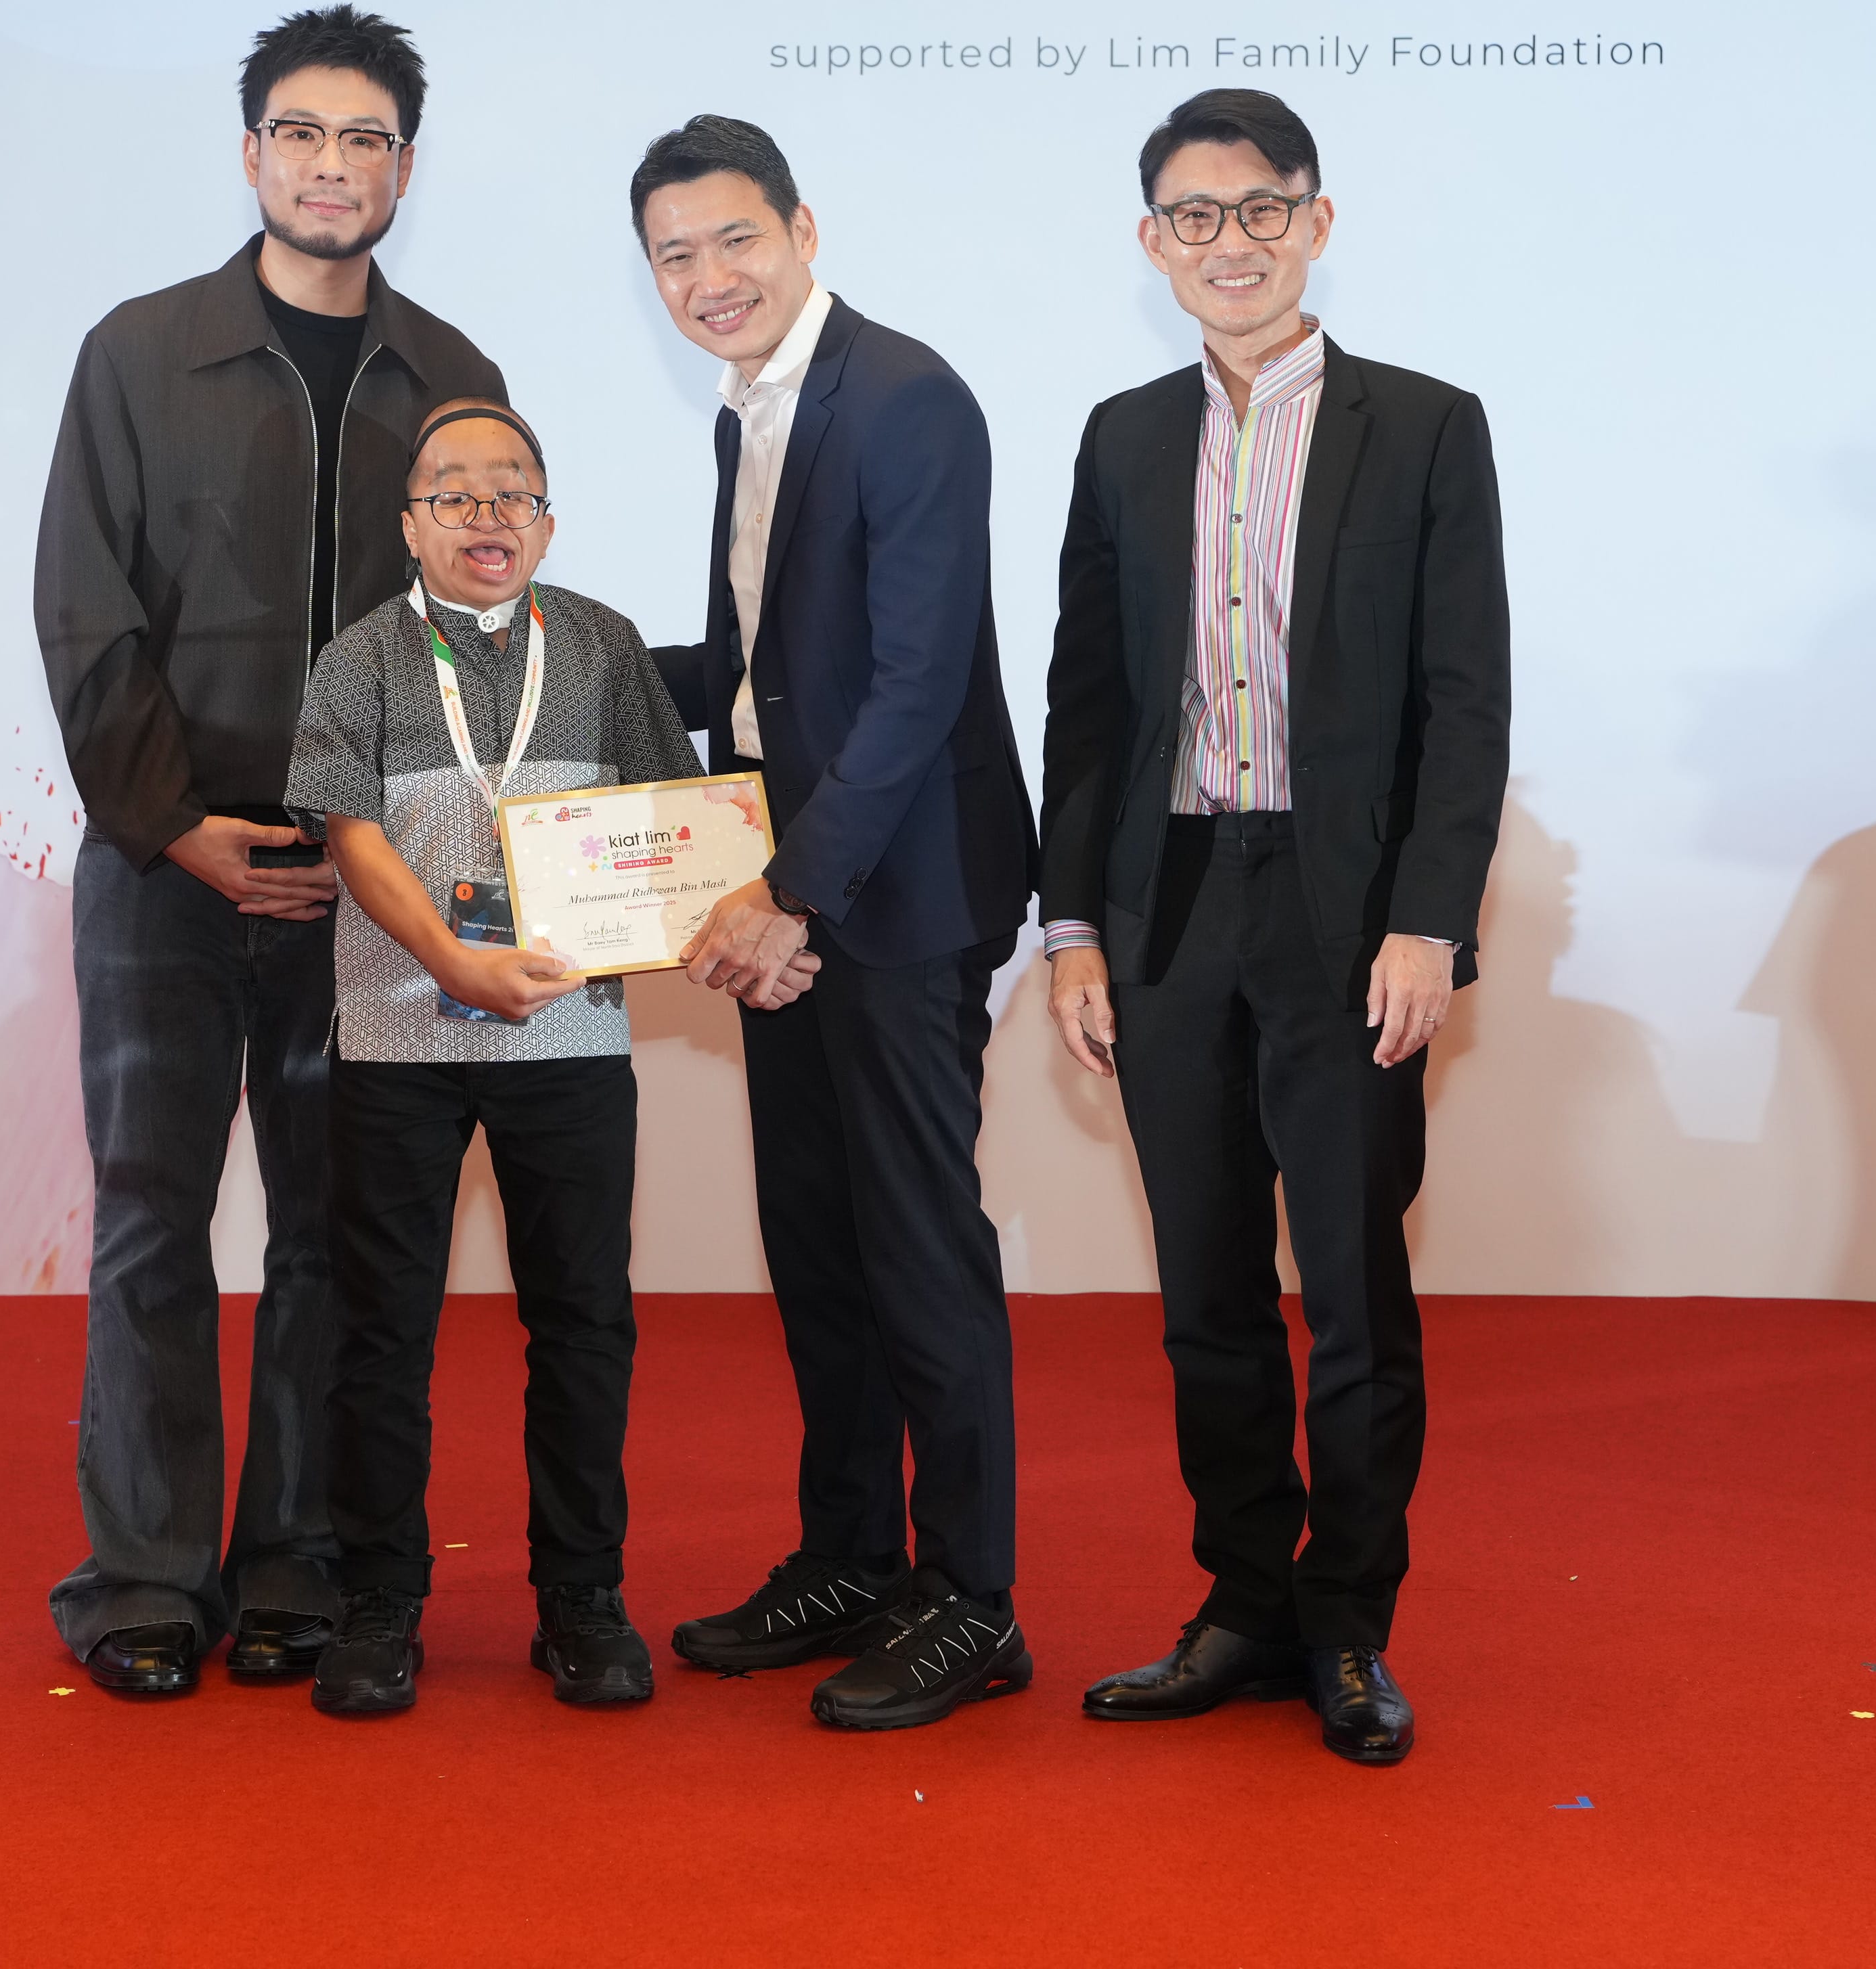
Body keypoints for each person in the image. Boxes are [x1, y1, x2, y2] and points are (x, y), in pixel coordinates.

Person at [32, 5, 503, 1698]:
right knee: (152, 1225)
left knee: (331, 1237)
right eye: (301, 133)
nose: (330, 164)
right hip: (161, 874)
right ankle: (145, 1579)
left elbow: (483, 631)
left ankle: (302, 1556)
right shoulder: (140, 354)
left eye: (364, 139)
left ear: (403, 169)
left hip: (362, 891)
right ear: (252, 154)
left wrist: (382, 847)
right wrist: (178, 829)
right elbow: (85, 614)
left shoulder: (451, 381)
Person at [1040, 87, 1509, 1767]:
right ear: (1151, 240)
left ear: (1315, 221)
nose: (1226, 244)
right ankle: (1244, 1603)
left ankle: (1349, 1623)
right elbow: (1088, 707)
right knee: (1207, 1290)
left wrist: (1429, 923)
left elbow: (1466, 701)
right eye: (1194, 215)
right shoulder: (1122, 436)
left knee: (1357, 1292)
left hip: (1347, 911)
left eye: (1258, 210)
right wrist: (1071, 928)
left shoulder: (1426, 426)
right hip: (1168, 906)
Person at [282, 401, 784, 1716]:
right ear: (411, 527)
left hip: (569, 1037)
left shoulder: (604, 647)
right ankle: (380, 1601)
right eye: (453, 494)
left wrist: (710, 914)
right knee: (382, 1331)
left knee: (584, 1324)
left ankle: (582, 1598)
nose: (485, 515)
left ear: (547, 523)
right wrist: (453, 963)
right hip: (396, 1036)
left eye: (512, 492)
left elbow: (669, 822)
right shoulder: (358, 658)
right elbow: (349, 834)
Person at [637, 114, 1042, 1732]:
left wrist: (791, 891)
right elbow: (760, 675)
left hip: (895, 895)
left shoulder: (904, 397)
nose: (709, 278)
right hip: (785, 892)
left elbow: (914, 684)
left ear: (803, 231)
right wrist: (563, 660)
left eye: (735, 239)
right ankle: (854, 1558)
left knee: (919, 1247)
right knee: (818, 1243)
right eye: (675, 256)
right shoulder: (749, 413)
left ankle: (974, 1600)